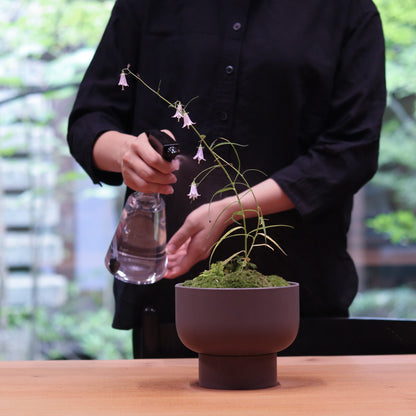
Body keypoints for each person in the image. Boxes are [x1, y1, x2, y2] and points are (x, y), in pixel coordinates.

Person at [67, 0, 386, 357]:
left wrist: (231, 210)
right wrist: (128, 154)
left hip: (299, 301)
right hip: (167, 299)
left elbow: (351, 150)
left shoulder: (347, 12)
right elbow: (89, 121)